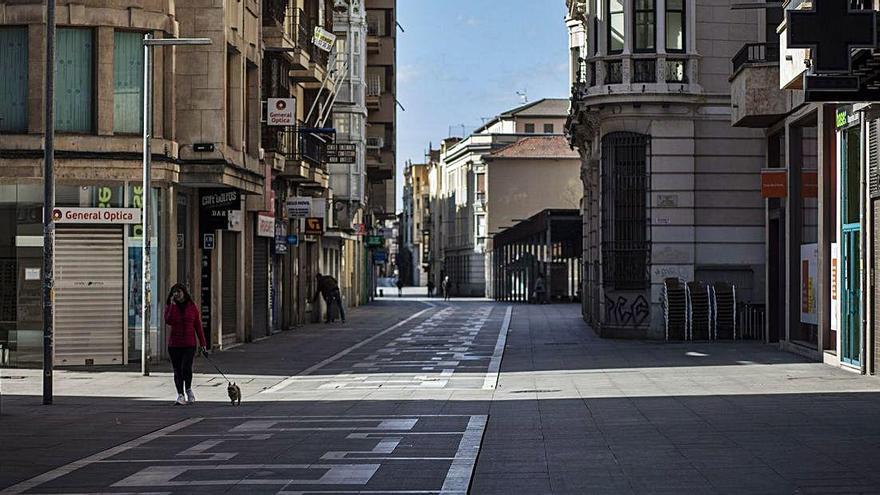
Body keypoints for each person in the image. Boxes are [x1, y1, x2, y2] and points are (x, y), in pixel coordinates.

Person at [164, 284, 207, 406]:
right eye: (174, 292)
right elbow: (168, 321)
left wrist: (203, 343)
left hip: (189, 344)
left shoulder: (191, 307)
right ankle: (180, 395)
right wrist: (172, 305)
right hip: (174, 344)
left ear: (184, 292)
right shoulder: (170, 306)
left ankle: (188, 389)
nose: (177, 294)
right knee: (177, 370)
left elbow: (198, 326)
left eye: (179, 292)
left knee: (186, 368)